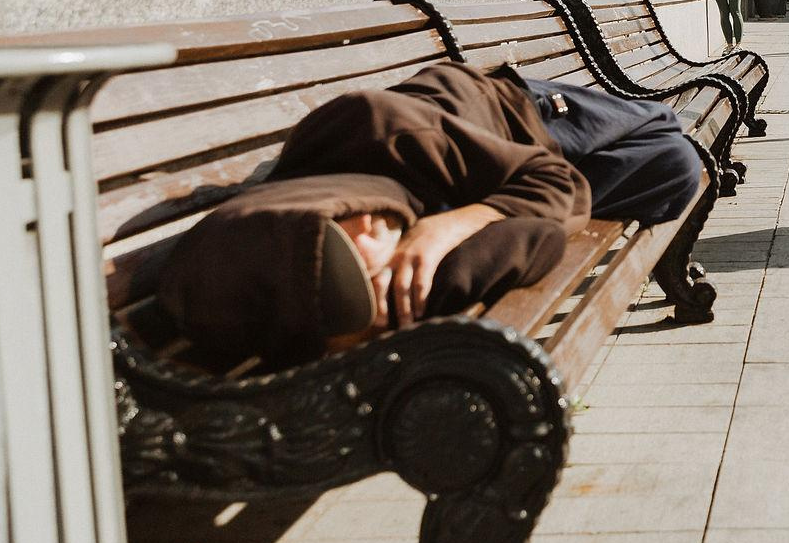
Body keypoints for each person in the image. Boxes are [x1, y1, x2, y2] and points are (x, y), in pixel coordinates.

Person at [155, 62, 703, 372]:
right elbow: (538, 237)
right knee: (676, 163)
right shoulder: (387, 284)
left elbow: (554, 183)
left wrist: (451, 224)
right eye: (367, 288)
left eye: (350, 249)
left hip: (513, 114)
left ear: (354, 216)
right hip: (518, 173)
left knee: (663, 125)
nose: (376, 273)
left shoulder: (382, 127)